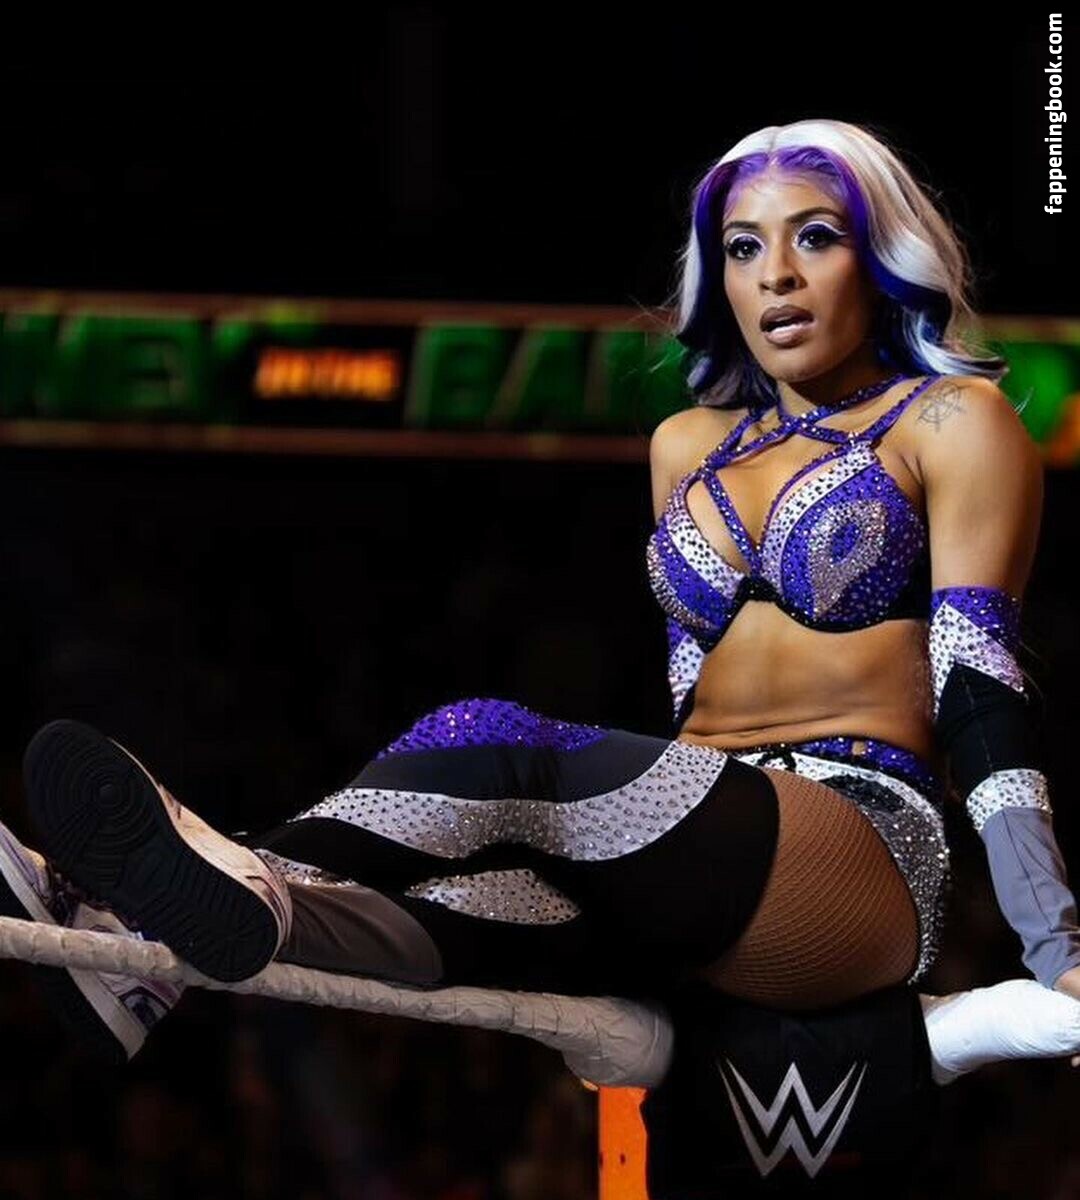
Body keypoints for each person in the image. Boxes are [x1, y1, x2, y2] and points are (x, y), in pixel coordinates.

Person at [5, 118, 1080, 1111]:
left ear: (880, 254)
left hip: (858, 856)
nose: (778, 275)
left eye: (816, 237)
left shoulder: (952, 419)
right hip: (704, 857)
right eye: (744, 248)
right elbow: (689, 704)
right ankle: (142, 961)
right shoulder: (685, 446)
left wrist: (1054, 944)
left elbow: (977, 684)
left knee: (494, 741)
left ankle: (205, 877)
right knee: (460, 913)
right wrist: (630, 873)